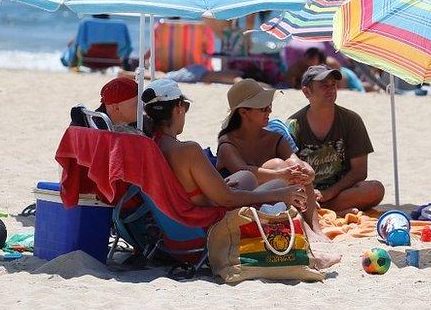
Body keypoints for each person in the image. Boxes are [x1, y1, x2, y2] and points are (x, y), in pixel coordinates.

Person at [143, 78, 341, 269]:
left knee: (246, 177)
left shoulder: (153, 145)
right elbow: (228, 200)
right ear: (178, 108)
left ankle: (309, 231)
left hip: (176, 235)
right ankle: (308, 257)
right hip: (204, 233)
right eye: (185, 107)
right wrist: (280, 195)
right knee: (280, 186)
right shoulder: (188, 150)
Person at [215, 79, 323, 236]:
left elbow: (295, 161)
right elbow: (244, 171)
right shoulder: (227, 143)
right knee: (278, 165)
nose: (269, 111)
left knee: (297, 172)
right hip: (243, 206)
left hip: (273, 200)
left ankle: (314, 226)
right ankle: (304, 228)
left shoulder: (275, 138)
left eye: (269, 106)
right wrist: (282, 174)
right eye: (263, 108)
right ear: (243, 112)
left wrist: (307, 171)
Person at [287, 65, 385, 214]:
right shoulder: (294, 125)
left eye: (333, 84)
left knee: (375, 189)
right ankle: (327, 209)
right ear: (307, 92)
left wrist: (329, 193)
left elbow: (359, 171)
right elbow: (288, 170)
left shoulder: (351, 120)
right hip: (305, 191)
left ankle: (324, 209)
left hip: (341, 192)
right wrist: (310, 193)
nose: (331, 89)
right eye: (323, 85)